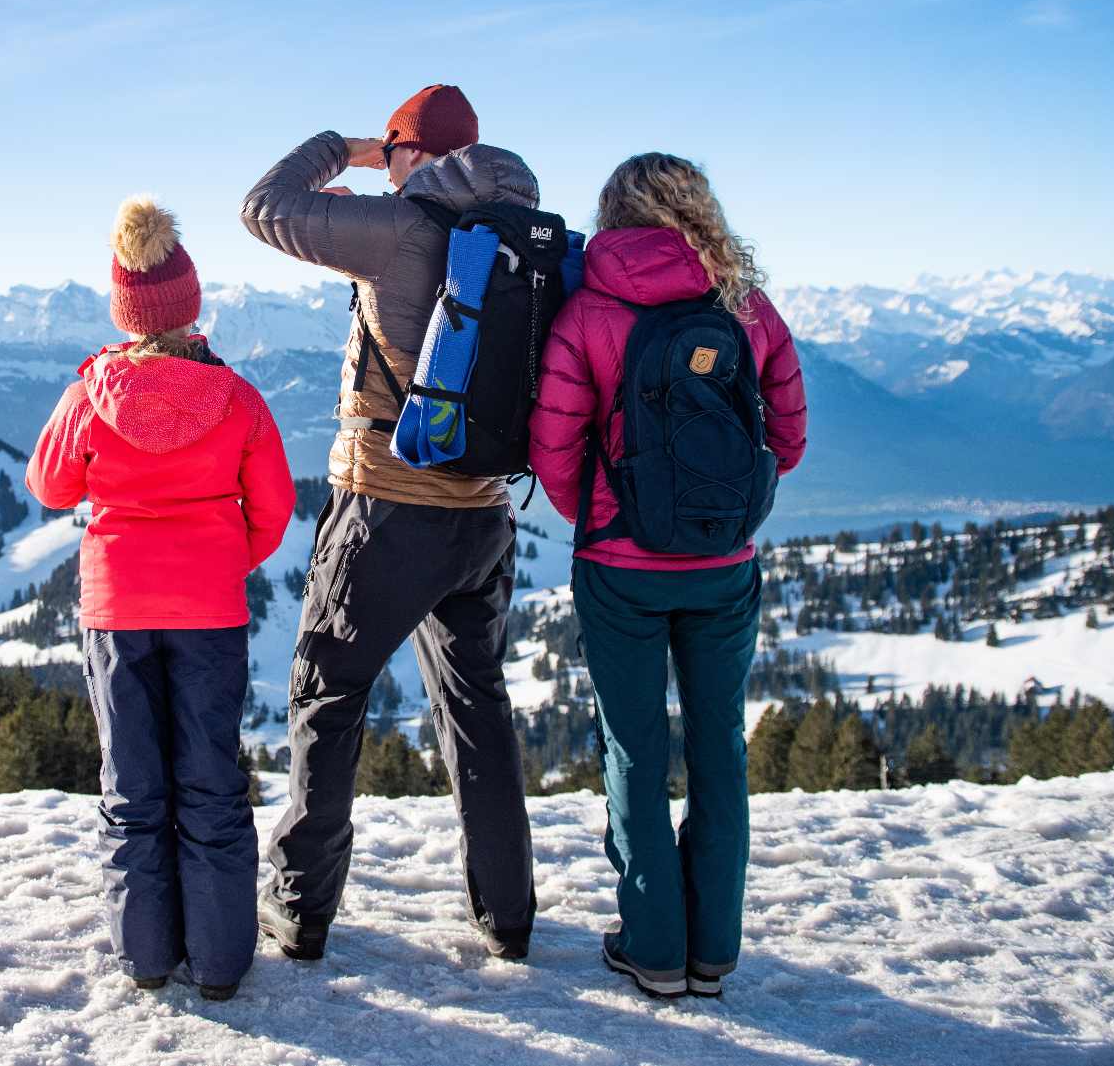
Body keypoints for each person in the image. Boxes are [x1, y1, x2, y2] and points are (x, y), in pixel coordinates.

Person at [239, 85, 537, 962]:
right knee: (477, 705)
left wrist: (347, 147)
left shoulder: (402, 227)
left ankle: (300, 909)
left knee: (327, 694)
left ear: (412, 153)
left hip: (387, 508)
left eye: (399, 148)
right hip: (483, 514)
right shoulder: (525, 234)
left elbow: (263, 208)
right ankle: (508, 913)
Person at [528, 153, 807, 1000]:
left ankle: (652, 945)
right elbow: (786, 439)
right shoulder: (745, 305)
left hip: (620, 569)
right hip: (724, 568)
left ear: (615, 212)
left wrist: (608, 518)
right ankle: (713, 950)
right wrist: (720, 514)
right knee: (720, 746)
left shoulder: (590, 309)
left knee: (635, 748)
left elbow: (554, 447)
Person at [26, 195, 295, 1001]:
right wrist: (222, 559)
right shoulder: (239, 399)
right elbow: (275, 509)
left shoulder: (92, 394)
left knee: (133, 782)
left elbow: (48, 482)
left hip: (117, 610)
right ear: (191, 303)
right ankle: (219, 963)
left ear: (125, 308)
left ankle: (145, 955)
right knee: (210, 779)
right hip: (209, 610)